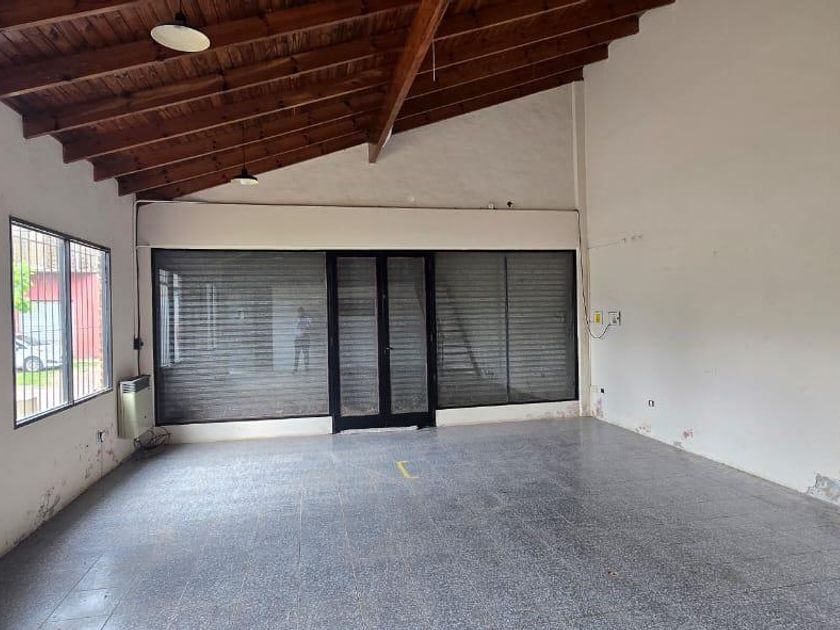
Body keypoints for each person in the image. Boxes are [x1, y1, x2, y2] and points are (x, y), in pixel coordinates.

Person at [294, 307, 312, 373]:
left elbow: (309, 327)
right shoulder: (297, 319)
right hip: (298, 339)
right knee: (297, 355)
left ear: (303, 312)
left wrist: (303, 331)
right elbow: (295, 328)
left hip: (305, 339)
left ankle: (306, 369)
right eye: (299, 312)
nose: (299, 313)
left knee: (306, 354)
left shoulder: (307, 319)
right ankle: (295, 369)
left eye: (300, 312)